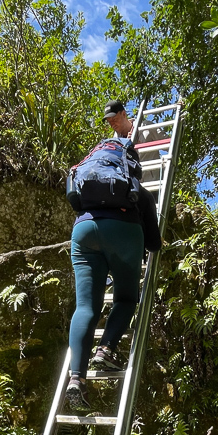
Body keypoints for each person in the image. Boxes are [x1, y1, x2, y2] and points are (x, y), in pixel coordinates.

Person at [66, 100, 162, 411]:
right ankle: (105, 350)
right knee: (125, 298)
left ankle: (76, 379)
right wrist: (150, 243)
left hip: (83, 230)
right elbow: (153, 240)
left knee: (85, 308)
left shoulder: (87, 171)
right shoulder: (134, 185)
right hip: (123, 230)